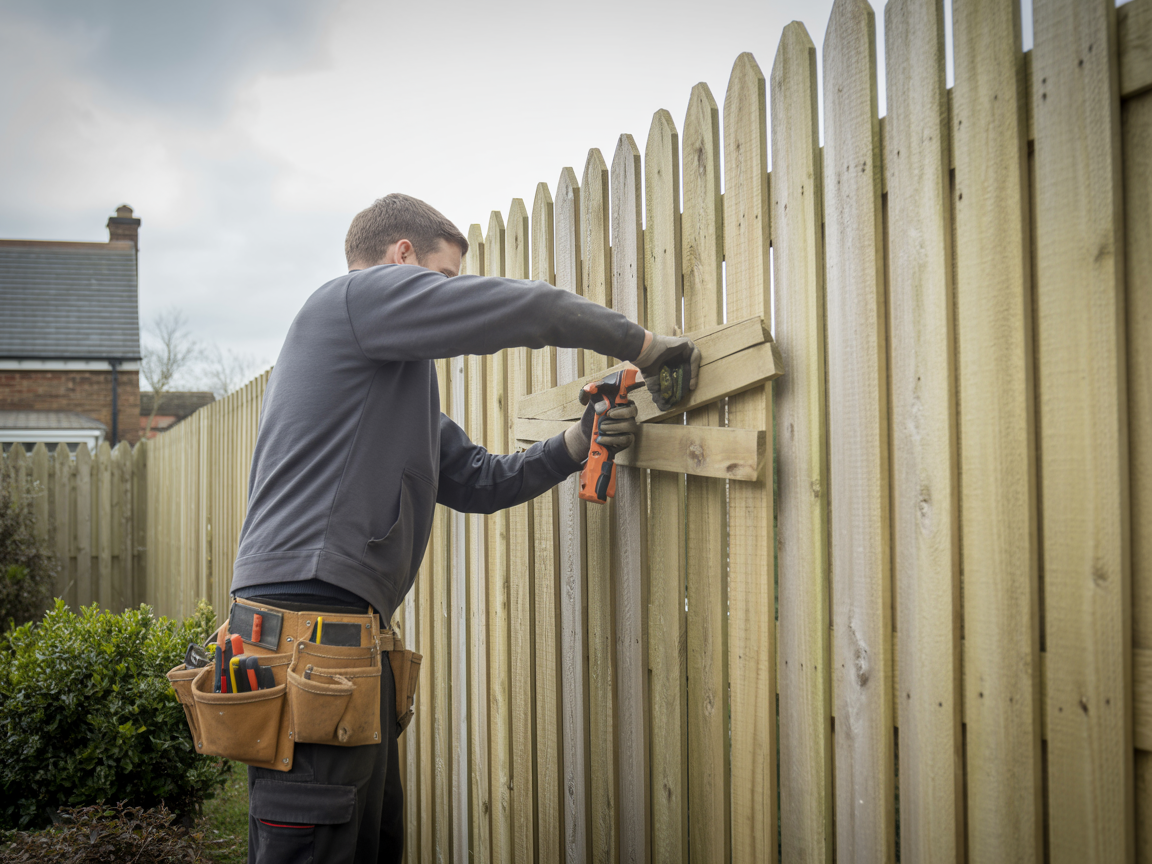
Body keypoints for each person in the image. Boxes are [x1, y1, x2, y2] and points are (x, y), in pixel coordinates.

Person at [228, 193, 700, 863]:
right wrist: (644, 346)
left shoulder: (385, 381)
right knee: (314, 843)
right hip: (309, 635)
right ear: (401, 258)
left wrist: (578, 441)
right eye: (442, 278)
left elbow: (479, 480)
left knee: (369, 842)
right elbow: (520, 309)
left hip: (344, 643)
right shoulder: (351, 300)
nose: (446, 294)